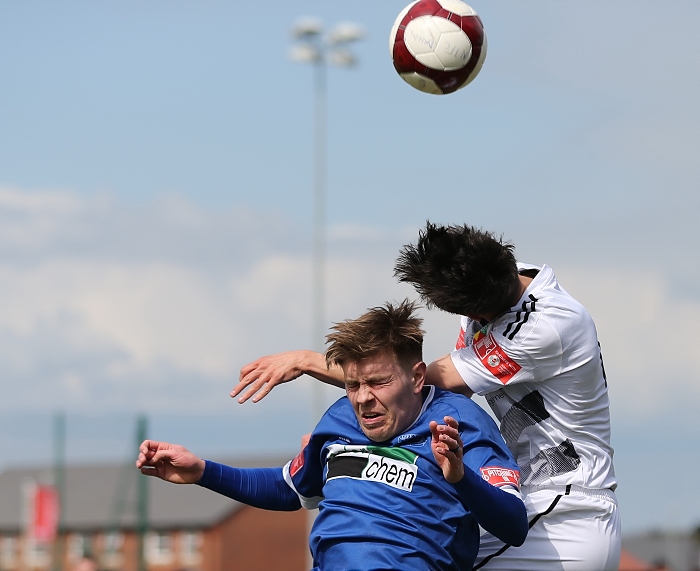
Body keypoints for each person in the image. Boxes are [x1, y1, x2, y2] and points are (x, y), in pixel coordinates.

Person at [232, 223, 621, 571]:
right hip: (542, 501)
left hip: (564, 510)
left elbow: (416, 381)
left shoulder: (545, 326)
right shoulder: (497, 278)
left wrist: (308, 361)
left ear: (477, 308)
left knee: (421, 553)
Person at [138, 300, 527, 571]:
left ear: (417, 377)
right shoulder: (339, 419)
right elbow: (291, 489)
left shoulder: (460, 423)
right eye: (353, 384)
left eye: (378, 382)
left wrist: (461, 477)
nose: (362, 399)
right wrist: (203, 471)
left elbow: (513, 526)